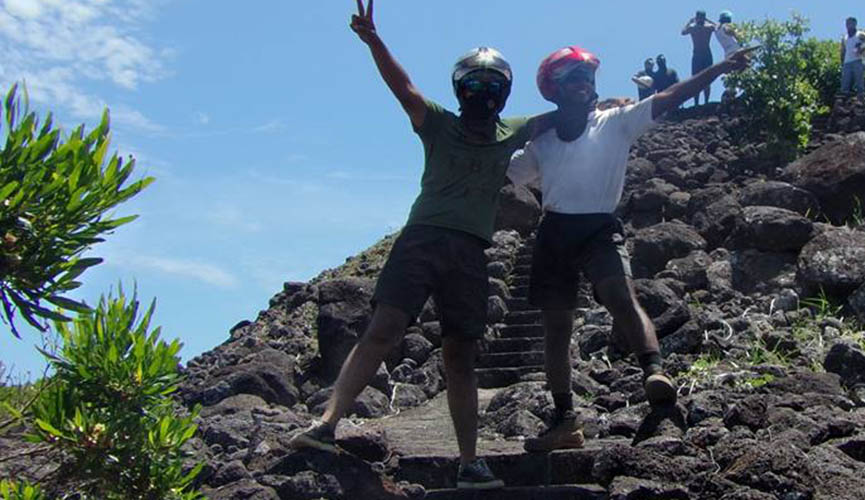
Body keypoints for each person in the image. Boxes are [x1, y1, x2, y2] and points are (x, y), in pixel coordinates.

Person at [288, 0, 551, 490]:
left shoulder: (512, 132)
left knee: (460, 354)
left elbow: (563, 115)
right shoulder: (437, 123)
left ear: (503, 93)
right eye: (473, 85)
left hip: (471, 252)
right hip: (422, 240)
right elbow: (401, 86)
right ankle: (325, 425)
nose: (482, 93)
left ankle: (470, 462)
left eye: (491, 87)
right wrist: (373, 40)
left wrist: (616, 105)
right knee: (383, 329)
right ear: (459, 90)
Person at [509, 44, 757, 453]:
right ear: (553, 89)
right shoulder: (542, 143)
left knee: (620, 296)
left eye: (587, 76)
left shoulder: (616, 121)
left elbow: (669, 97)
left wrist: (718, 69)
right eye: (573, 77)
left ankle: (654, 372)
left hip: (599, 226)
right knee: (557, 330)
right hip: (554, 231)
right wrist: (527, 127)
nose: (584, 83)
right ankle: (564, 419)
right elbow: (507, 168)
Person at [681, 10, 717, 105]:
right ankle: (703, 102)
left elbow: (683, 31)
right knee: (704, 79)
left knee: (698, 80)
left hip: (699, 55)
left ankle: (699, 103)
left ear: (697, 18)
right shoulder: (708, 27)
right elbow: (717, 26)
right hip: (704, 54)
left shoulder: (693, 28)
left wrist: (689, 21)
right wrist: (708, 20)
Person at [839, 16, 865, 104]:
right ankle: (844, 104)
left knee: (859, 83)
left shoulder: (860, 34)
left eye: (850, 23)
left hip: (858, 61)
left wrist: (862, 49)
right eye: (847, 23)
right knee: (845, 84)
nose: (848, 25)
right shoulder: (845, 37)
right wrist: (842, 62)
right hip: (847, 63)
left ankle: (861, 102)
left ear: (855, 24)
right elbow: (843, 51)